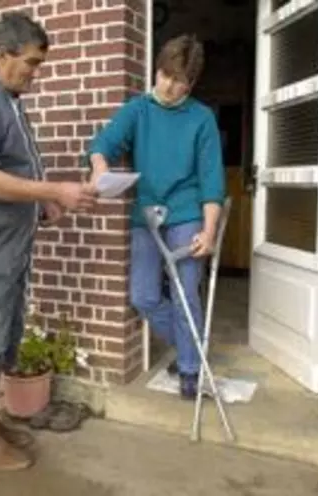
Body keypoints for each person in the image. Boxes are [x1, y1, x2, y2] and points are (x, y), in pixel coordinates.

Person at [0, 12, 96, 471]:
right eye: (29, 63)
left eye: (38, 65)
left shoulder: (9, 101)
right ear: (2, 55)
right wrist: (53, 191)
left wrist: (43, 205)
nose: (34, 73)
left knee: (2, 337)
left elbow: (15, 172)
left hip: (7, 245)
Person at [87, 34, 225, 400]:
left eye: (179, 81)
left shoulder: (201, 118)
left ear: (190, 83)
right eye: (165, 75)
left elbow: (212, 181)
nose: (169, 86)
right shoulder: (138, 110)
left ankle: (190, 369)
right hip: (146, 214)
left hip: (186, 212)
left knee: (184, 292)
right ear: (157, 71)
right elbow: (104, 143)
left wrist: (208, 231)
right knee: (143, 295)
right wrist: (99, 167)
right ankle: (188, 344)